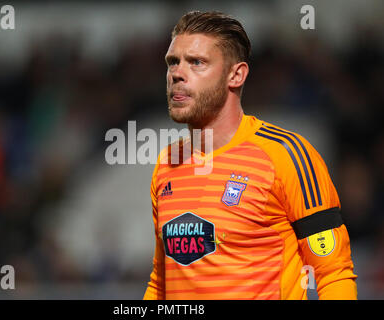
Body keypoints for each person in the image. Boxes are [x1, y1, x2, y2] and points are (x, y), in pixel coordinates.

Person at [143, 11, 357, 300]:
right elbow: (161, 282)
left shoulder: (287, 154)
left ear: (236, 74)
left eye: (197, 62)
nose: (177, 73)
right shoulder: (167, 164)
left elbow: (333, 273)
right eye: (173, 62)